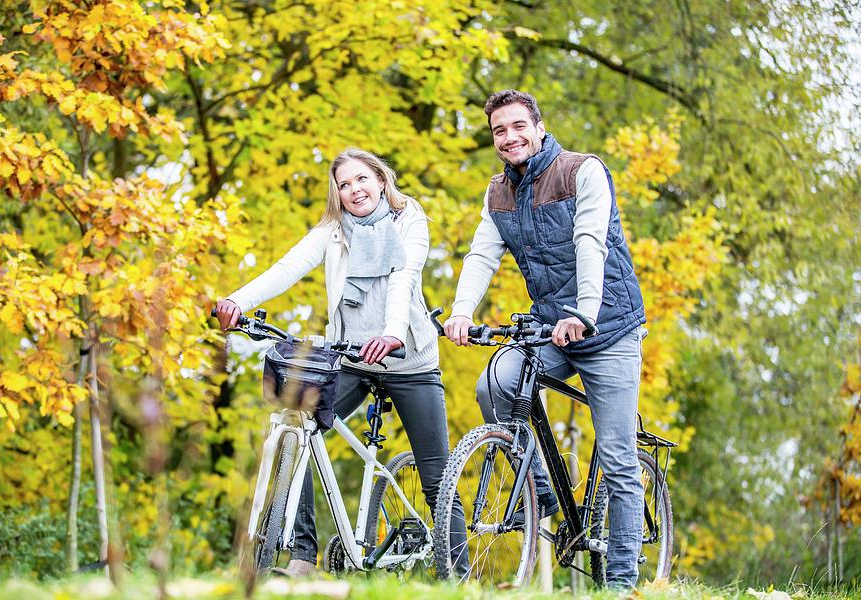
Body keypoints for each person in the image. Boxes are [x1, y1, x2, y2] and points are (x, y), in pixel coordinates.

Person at [215, 148, 468, 578]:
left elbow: (403, 278)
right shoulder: (334, 230)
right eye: (344, 185)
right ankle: (301, 555)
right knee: (298, 428)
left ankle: (460, 577)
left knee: (436, 478)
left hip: (409, 362)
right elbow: (288, 266)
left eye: (361, 179)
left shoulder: (410, 218)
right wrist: (238, 300)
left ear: (381, 179)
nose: (354, 190)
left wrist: (391, 332)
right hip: (351, 357)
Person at [444, 90, 646, 589]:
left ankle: (621, 582)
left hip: (610, 324)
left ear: (538, 126)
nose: (508, 137)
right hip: (550, 327)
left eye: (517, 126)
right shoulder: (499, 193)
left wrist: (585, 311)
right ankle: (541, 492)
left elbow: (590, 242)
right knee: (496, 386)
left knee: (618, 456)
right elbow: (481, 256)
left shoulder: (583, 171)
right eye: (498, 130)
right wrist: (462, 312)